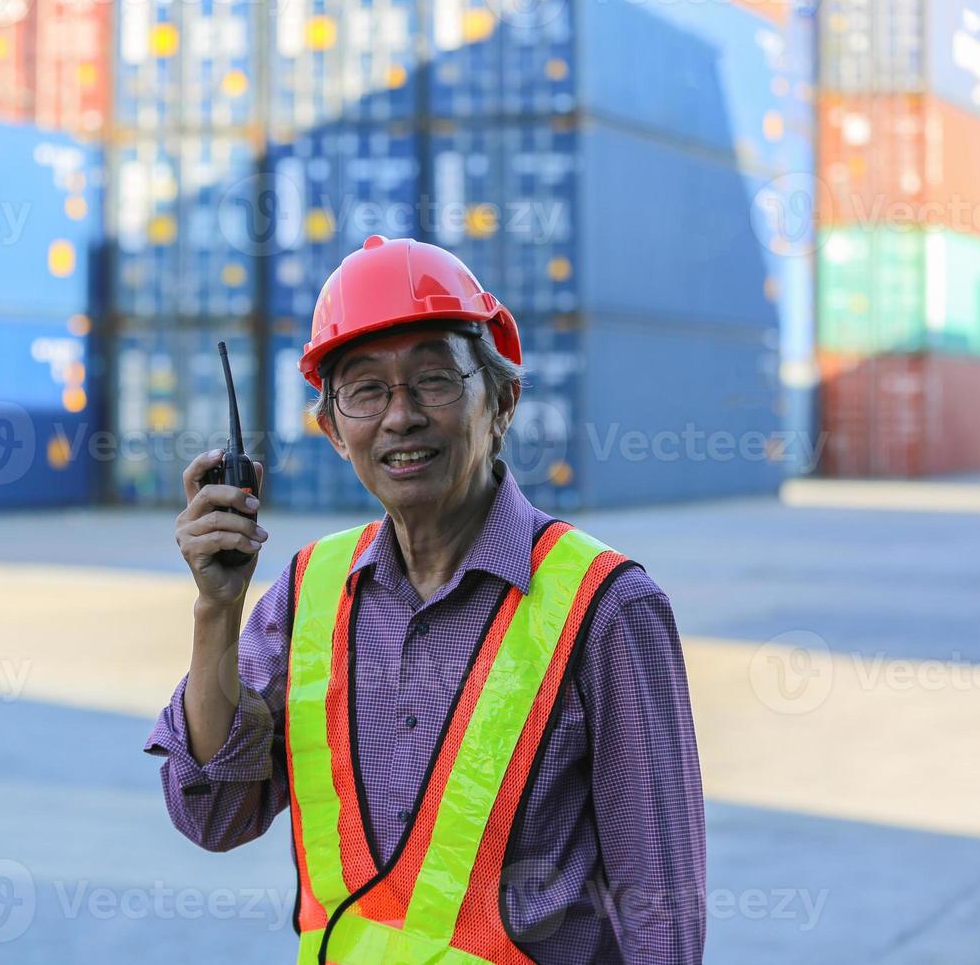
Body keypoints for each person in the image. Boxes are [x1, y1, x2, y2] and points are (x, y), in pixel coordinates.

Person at [147, 235, 706, 963]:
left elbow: (659, 905)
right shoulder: (306, 593)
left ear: (502, 401)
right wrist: (216, 610)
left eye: (434, 380)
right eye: (365, 389)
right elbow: (212, 815)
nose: (399, 416)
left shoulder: (605, 609)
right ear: (332, 432)